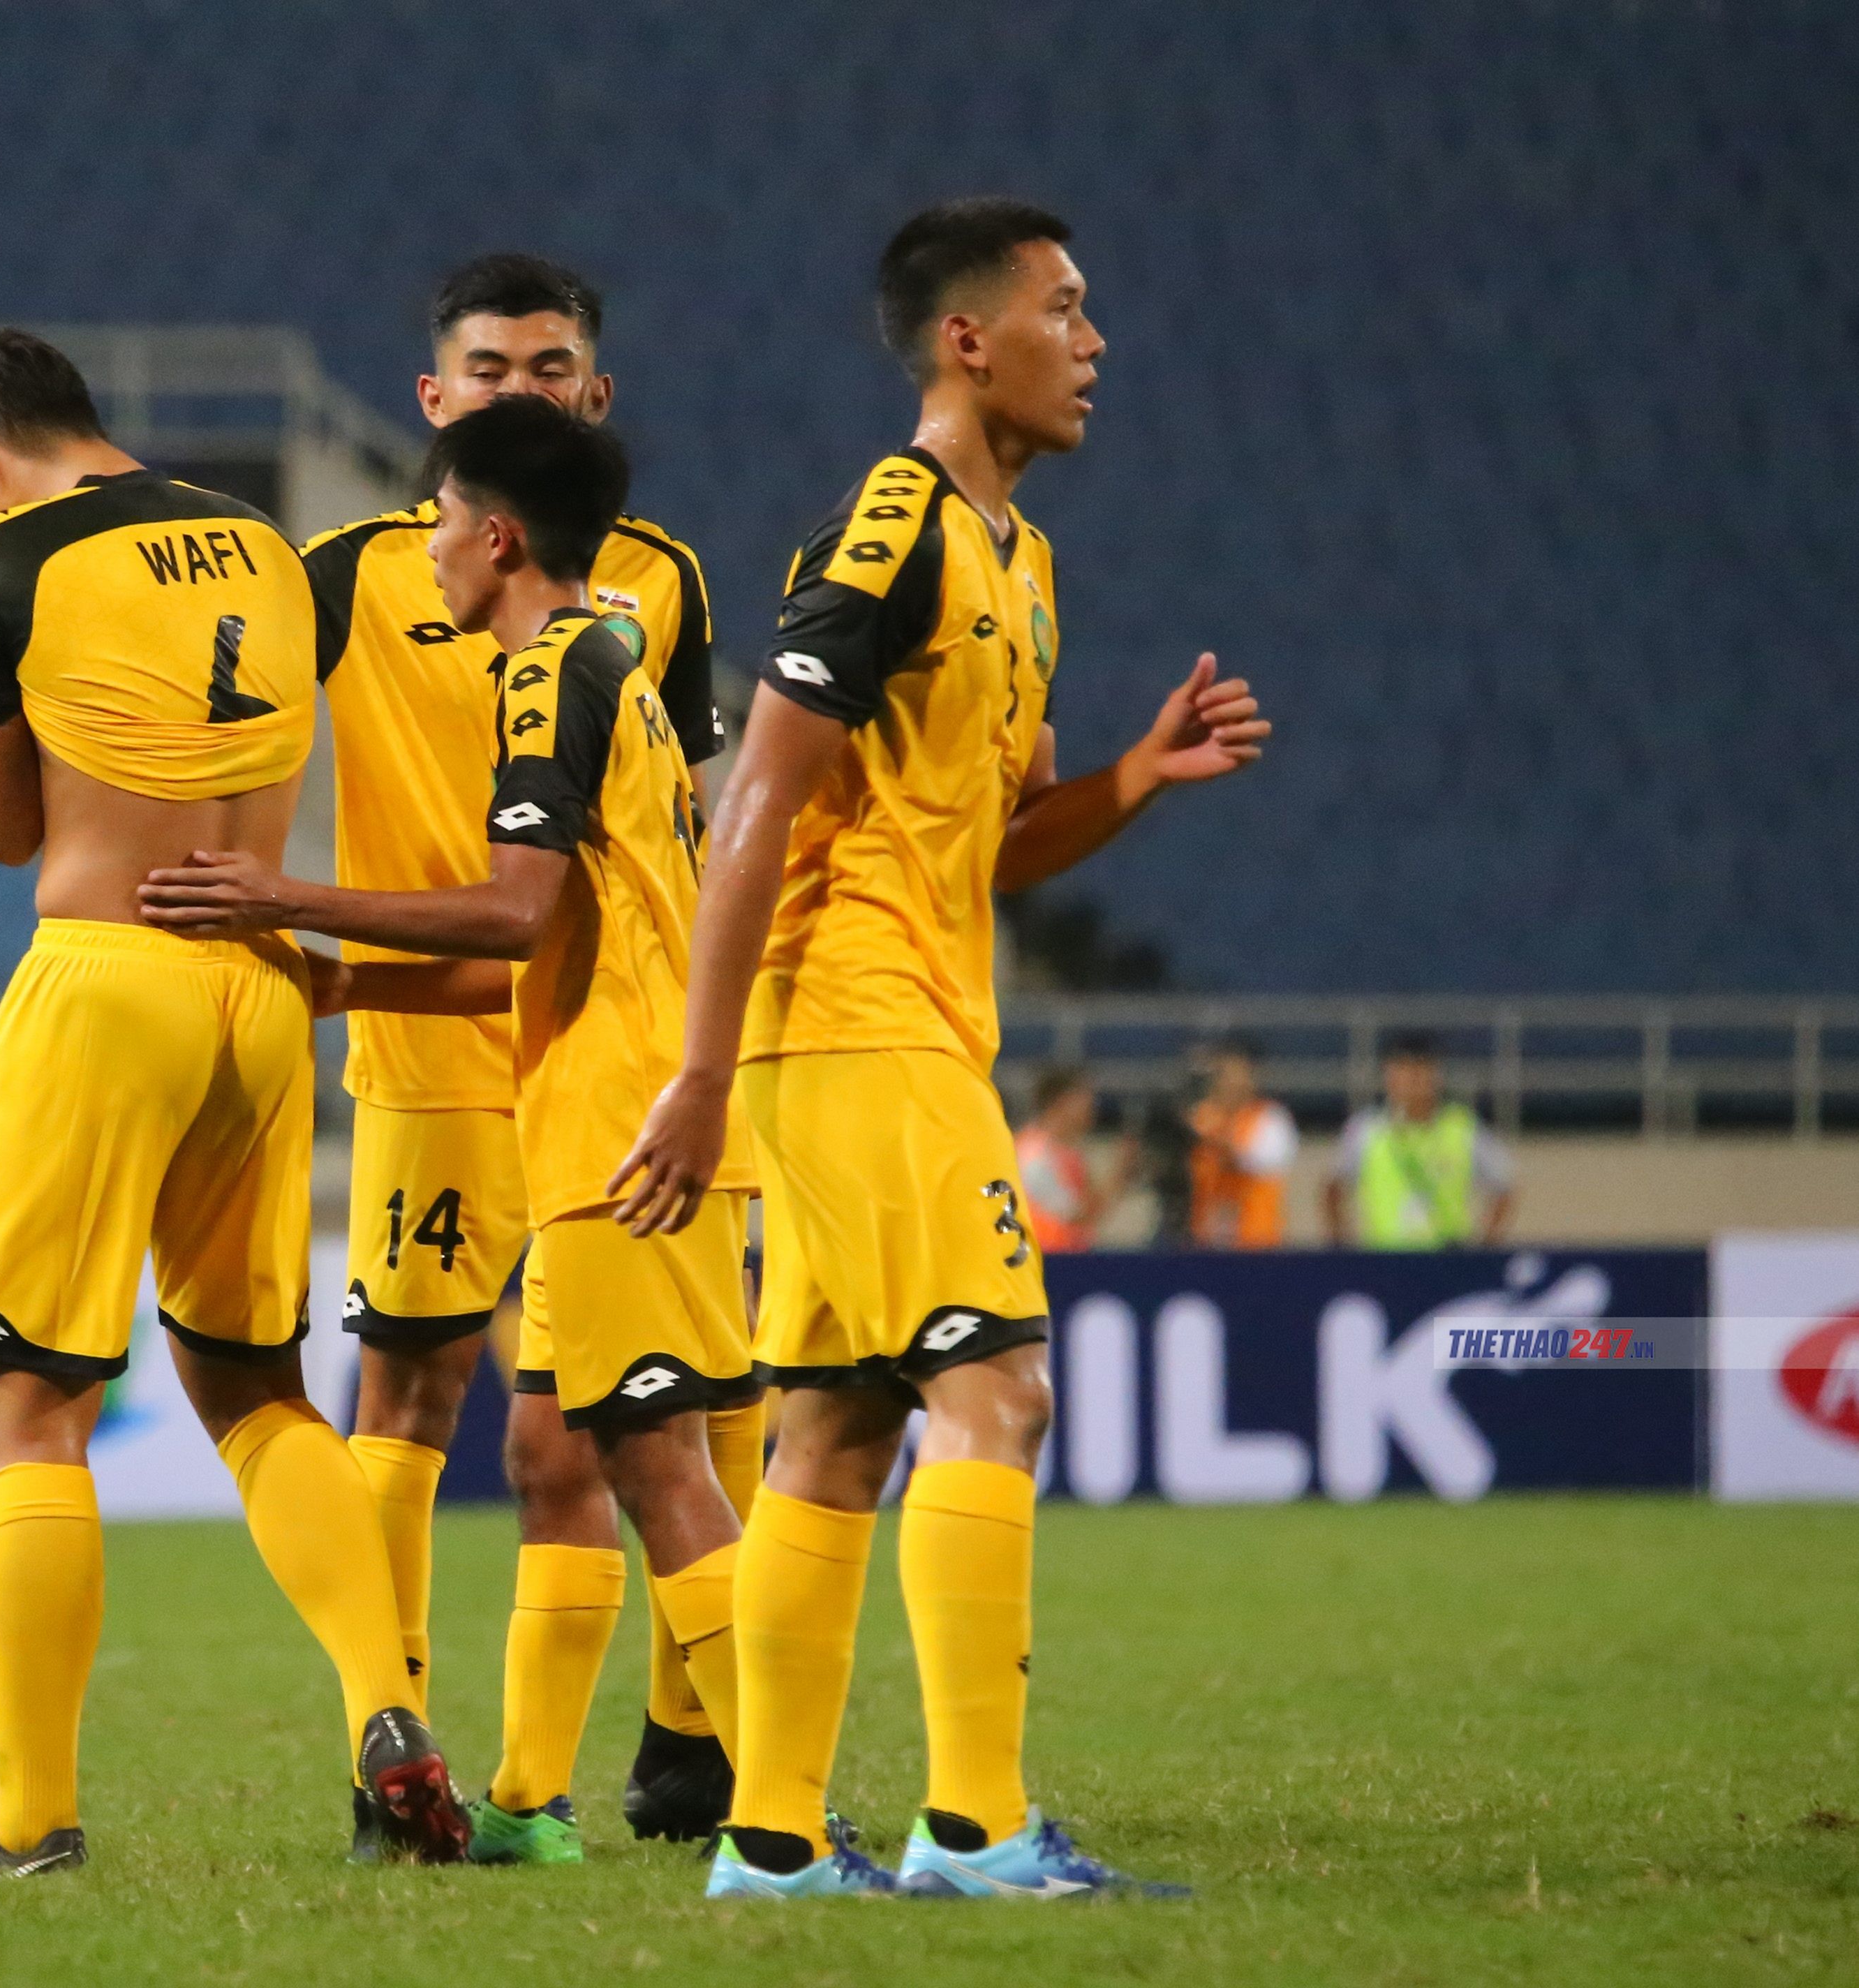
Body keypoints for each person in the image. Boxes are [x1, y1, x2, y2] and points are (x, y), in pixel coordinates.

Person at [610, 198, 1268, 1901]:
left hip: (889, 1022)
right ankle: (976, 1823)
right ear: (969, 340)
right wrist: (697, 1072)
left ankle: (772, 1842)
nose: (1094, 340)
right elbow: (755, 796)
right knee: (1001, 1388)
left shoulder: (1020, 563)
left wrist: (1130, 777)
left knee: (838, 1429)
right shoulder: (893, 524)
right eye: (1065, 307)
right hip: (855, 1022)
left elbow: (989, 844)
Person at [0, 329, 464, 1878]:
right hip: (258, 989)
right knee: (260, 1391)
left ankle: (29, 1820)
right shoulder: (261, 539)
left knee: (30, 1402)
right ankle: (385, 1705)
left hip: (106, 973)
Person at [143, 399, 756, 1869]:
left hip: (615, 1120)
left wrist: (285, 897)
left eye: (439, 524)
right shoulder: (613, 667)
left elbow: (512, 912)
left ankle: (790, 1805)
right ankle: (548, 1805)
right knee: (599, 1452)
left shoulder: (546, 677)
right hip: (619, 1101)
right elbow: (546, 949)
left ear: (496, 534)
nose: (425, 552)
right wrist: (353, 982)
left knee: (659, 1464)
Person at [295, 253, 750, 1855]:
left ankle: (698, 1764)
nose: (518, 390)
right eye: (487, 370)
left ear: (594, 395)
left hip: (593, 1051)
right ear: (434, 399)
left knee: (632, 1424)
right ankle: (392, 1748)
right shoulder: (351, 572)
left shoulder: (653, 588)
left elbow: (677, 824)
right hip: (438, 1054)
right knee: (415, 1390)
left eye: (548, 368)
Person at [1325, 1031, 1516, 1248]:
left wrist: (1484, 1249)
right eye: (1404, 1070)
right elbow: (1333, 1188)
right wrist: (1344, 1250)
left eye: (1421, 1070)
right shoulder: (1367, 1129)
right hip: (1385, 1255)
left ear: (1437, 1075)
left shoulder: (1463, 1128)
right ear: (1389, 1076)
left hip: (1447, 1255)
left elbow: (1504, 1186)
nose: (1413, 1080)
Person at [1186, 1036, 1297, 1249]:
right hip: (1207, 1246)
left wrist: (1216, 1139)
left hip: (1257, 1246)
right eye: (1222, 1074)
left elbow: (1258, 1161)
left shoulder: (1271, 1119)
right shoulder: (1202, 1115)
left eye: (1236, 1073)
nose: (1229, 1083)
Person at [1013, 1065, 1134, 1254]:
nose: (1092, 1107)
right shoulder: (1032, 1155)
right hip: (1045, 1260)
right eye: (1083, 1099)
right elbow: (1079, 1216)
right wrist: (1120, 1173)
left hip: (1070, 1258)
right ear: (1061, 1102)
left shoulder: (1068, 1153)